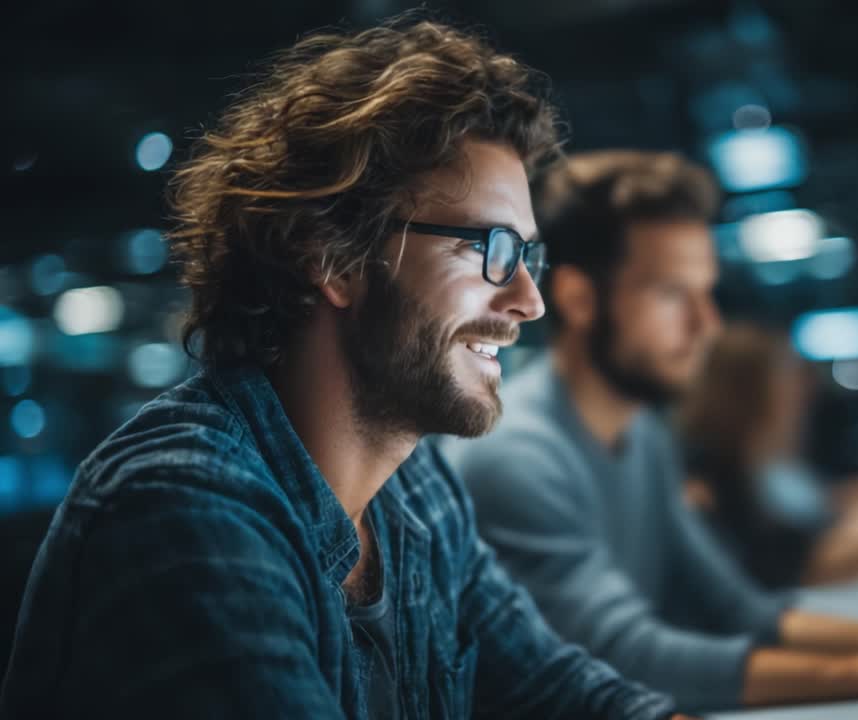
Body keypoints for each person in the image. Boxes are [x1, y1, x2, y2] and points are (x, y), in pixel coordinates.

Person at [0, 18, 683, 720]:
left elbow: (556, 691)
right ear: (335, 257)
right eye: (493, 248)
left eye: (527, 256)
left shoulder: (416, 493)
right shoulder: (185, 508)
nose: (529, 300)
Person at [446, 150, 858, 712]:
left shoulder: (642, 432)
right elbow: (619, 654)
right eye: (673, 294)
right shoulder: (517, 451)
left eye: (706, 292)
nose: (707, 325)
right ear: (579, 298)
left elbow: (738, 611)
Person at [678, 323, 858, 589]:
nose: (802, 392)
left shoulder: (757, 466)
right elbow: (770, 581)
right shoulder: (710, 482)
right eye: (786, 377)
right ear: (748, 393)